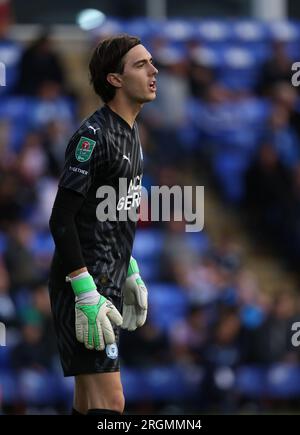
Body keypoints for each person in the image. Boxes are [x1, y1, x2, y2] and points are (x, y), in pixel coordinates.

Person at [48, 34, 158, 415]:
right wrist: (85, 291)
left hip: (104, 282)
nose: (154, 70)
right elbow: (61, 218)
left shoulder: (131, 134)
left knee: (88, 404)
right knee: (111, 404)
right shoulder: (93, 136)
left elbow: (109, 214)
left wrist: (128, 267)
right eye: (141, 64)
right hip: (84, 287)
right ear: (115, 79)